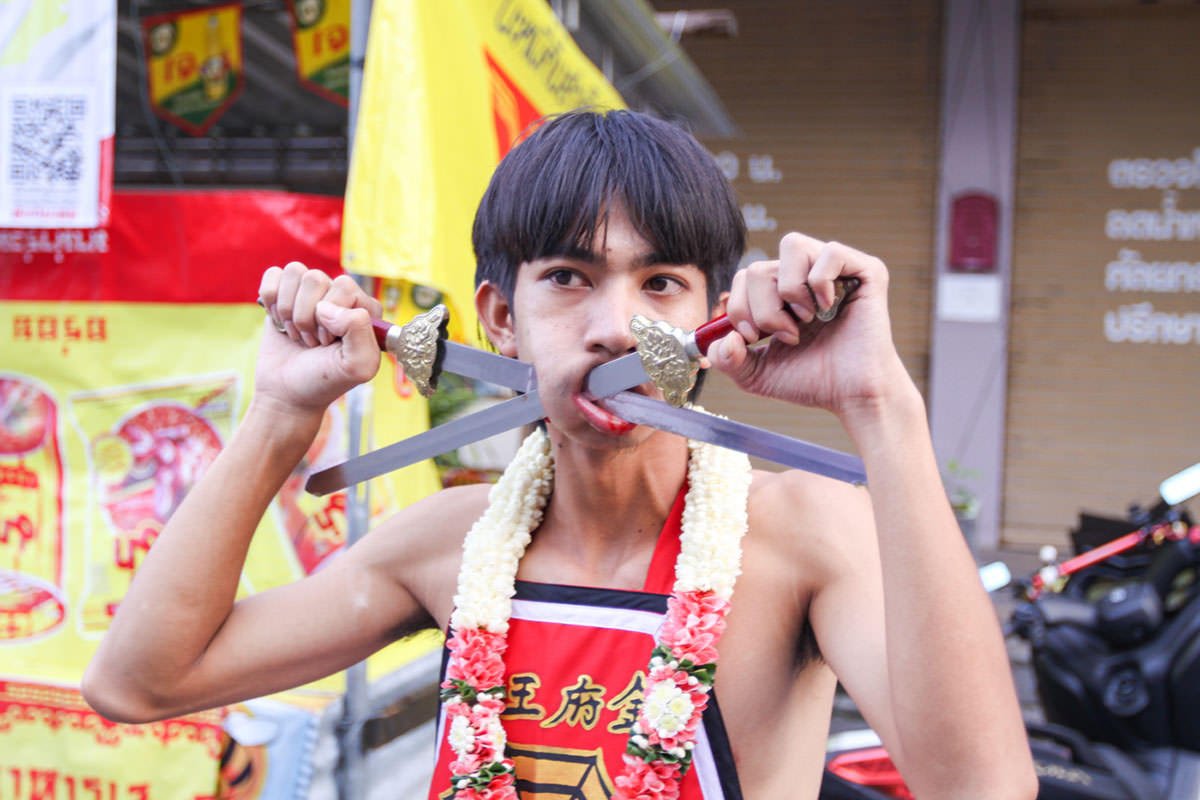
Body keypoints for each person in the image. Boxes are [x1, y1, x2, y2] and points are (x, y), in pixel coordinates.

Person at [83, 109, 1036, 800]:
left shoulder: (801, 539)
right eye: (569, 279)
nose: (617, 327)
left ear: (712, 317)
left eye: (660, 282)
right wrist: (279, 419)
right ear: (501, 320)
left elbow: (985, 790)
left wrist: (882, 407)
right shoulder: (448, 546)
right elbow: (138, 683)